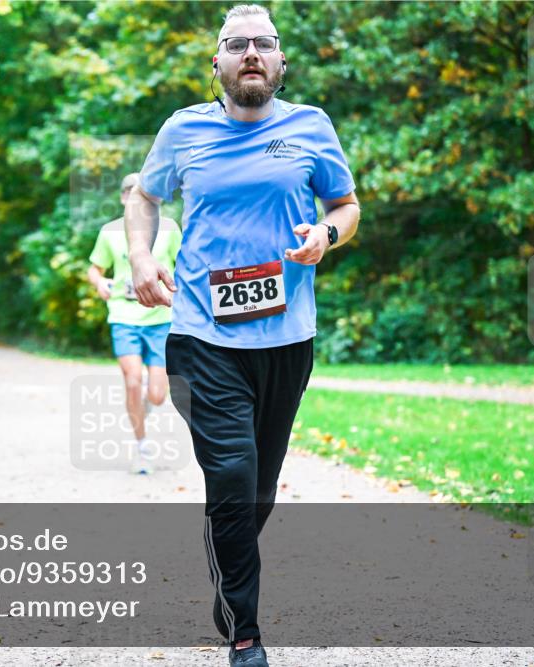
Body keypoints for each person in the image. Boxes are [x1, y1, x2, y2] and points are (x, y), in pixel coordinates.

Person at [125, 5, 360, 666]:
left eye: (264, 43)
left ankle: (225, 557)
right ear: (218, 63)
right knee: (231, 473)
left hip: (287, 340)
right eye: (237, 44)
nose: (251, 52)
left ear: (281, 62)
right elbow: (144, 196)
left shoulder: (311, 127)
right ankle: (246, 634)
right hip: (201, 336)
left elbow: (346, 205)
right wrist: (142, 260)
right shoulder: (185, 129)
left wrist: (327, 234)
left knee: (254, 492)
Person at [88, 173, 182, 475]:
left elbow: (184, 267)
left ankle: (143, 407)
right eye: (129, 191)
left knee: (156, 393)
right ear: (122, 198)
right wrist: (100, 281)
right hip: (124, 316)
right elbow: (95, 269)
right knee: (131, 380)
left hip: (160, 319)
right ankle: (142, 448)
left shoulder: (169, 229)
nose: (133, 196)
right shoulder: (110, 231)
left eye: (140, 191)